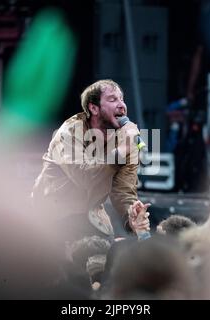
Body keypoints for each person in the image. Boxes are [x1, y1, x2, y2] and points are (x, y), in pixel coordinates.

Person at [31, 79, 150, 243]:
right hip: (52, 217)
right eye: (112, 99)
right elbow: (84, 177)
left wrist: (132, 218)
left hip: (90, 215)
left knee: (111, 257)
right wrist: (122, 151)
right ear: (93, 108)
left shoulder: (125, 139)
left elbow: (124, 192)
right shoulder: (70, 132)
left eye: (122, 99)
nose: (122, 105)